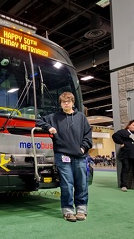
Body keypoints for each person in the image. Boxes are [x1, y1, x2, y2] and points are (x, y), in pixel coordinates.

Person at [36, 92, 92, 222]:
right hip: (62, 155)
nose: (65, 103)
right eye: (63, 102)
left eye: (68, 101)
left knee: (82, 184)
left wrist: (83, 147)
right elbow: (37, 121)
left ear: (73, 102)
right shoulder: (53, 117)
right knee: (67, 184)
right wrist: (48, 127)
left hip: (80, 156)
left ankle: (82, 210)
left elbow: (88, 135)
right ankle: (68, 211)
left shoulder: (81, 117)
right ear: (60, 103)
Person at [112, 119, 134, 192]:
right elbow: (115, 136)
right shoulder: (124, 132)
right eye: (133, 125)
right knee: (125, 169)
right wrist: (121, 142)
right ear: (129, 125)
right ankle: (123, 185)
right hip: (127, 154)